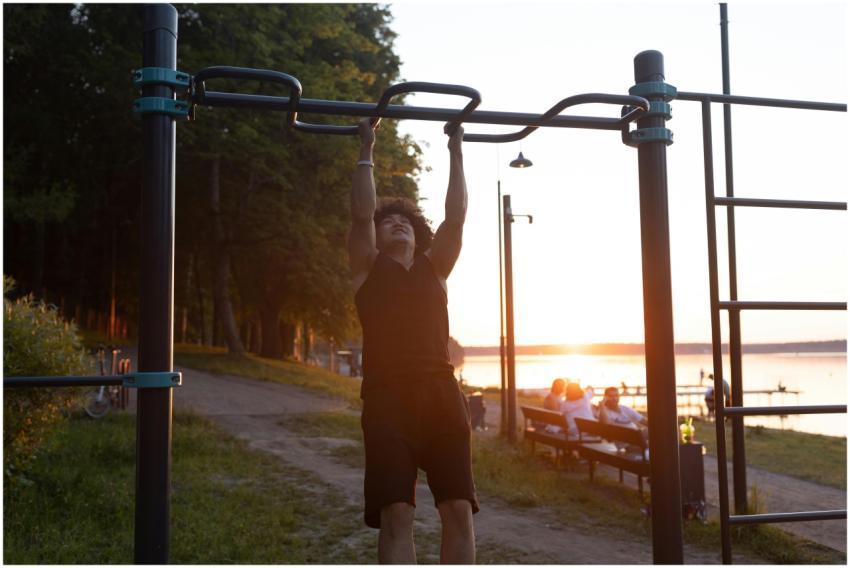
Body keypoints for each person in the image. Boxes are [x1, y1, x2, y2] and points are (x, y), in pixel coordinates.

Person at [349, 118, 476, 564]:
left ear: (417, 233)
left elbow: (456, 216)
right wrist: (367, 146)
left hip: (442, 397)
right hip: (388, 401)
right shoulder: (367, 269)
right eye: (390, 222)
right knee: (397, 514)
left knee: (458, 510)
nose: (397, 224)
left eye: (405, 220)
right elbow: (362, 212)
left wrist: (456, 149)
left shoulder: (434, 269)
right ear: (377, 237)